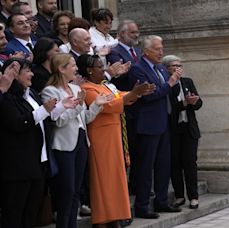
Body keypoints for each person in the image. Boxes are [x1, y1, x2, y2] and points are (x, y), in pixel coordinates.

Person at [77, 54, 155, 227]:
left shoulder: (105, 85)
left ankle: (117, 215)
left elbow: (120, 96)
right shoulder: (86, 88)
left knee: (116, 177)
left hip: (113, 133)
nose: (103, 69)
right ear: (89, 71)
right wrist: (132, 94)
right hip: (100, 137)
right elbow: (109, 106)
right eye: (99, 66)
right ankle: (104, 218)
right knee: (104, 178)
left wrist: (138, 93)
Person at [0, 58, 77, 228]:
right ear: (14, 75)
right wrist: (44, 110)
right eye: (27, 71)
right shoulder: (7, 99)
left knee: (31, 213)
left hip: (38, 162)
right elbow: (18, 123)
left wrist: (62, 106)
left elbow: (44, 118)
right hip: (17, 166)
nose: (32, 74)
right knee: (14, 213)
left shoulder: (32, 93)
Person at [41, 53, 110, 228]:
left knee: (75, 191)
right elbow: (59, 120)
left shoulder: (76, 89)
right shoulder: (50, 91)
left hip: (81, 141)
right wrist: (77, 105)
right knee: (67, 191)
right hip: (64, 145)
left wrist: (96, 105)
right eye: (72, 65)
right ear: (61, 69)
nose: (76, 69)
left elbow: (85, 118)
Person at [130, 35, 182, 218]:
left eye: (162, 48)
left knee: (163, 165)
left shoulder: (160, 67)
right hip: (147, 125)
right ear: (146, 51)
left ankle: (161, 201)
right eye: (157, 49)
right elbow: (149, 95)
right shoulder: (138, 69)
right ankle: (142, 206)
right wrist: (170, 83)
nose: (161, 52)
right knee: (145, 168)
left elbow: (163, 92)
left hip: (163, 122)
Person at [162, 55, 202, 209]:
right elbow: (170, 108)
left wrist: (194, 101)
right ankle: (179, 195)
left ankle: (194, 197)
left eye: (180, 65)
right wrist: (184, 103)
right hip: (173, 129)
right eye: (174, 65)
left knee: (190, 163)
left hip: (189, 128)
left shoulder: (188, 81)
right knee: (175, 163)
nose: (178, 68)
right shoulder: (166, 84)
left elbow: (199, 103)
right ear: (167, 69)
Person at [106, 19, 141, 91]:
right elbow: (119, 76)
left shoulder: (138, 51)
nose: (136, 35)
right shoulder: (114, 52)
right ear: (122, 33)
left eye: (137, 32)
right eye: (133, 32)